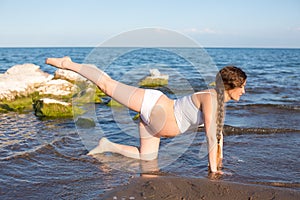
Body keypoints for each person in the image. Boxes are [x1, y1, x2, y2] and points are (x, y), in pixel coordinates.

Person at [46, 56, 247, 175]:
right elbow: (210, 136)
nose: (244, 92)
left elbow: (217, 139)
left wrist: (219, 165)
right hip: (156, 106)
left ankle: (107, 146)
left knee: (146, 157)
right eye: (242, 87)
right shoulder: (211, 99)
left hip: (155, 127)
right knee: (107, 86)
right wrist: (213, 172)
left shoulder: (218, 104)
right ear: (231, 86)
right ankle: (68, 64)